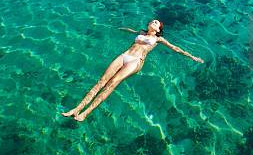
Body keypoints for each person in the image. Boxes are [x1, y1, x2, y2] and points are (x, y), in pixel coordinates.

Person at [61, 19, 204, 121]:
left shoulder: (159, 40)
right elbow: (132, 31)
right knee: (102, 81)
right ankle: (76, 108)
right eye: (152, 21)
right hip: (125, 55)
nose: (153, 22)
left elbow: (176, 48)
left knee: (112, 83)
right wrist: (121, 28)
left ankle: (85, 113)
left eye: (156, 23)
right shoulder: (141, 32)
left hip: (136, 62)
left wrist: (193, 57)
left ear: (159, 30)